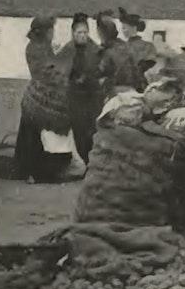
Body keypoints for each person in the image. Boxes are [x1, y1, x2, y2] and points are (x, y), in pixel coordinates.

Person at [15, 15, 79, 183]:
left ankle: (24, 170)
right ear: (46, 31)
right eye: (52, 30)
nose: (53, 33)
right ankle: (34, 172)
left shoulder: (38, 46)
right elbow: (48, 72)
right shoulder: (38, 49)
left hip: (35, 95)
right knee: (35, 138)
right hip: (40, 97)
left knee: (30, 136)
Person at [55, 12, 102, 165]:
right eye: (79, 33)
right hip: (74, 97)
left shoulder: (95, 50)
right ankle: (81, 160)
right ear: (73, 33)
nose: (82, 36)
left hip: (92, 97)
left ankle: (91, 161)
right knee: (77, 129)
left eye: (85, 32)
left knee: (91, 129)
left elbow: (100, 70)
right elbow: (59, 73)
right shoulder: (67, 50)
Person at [95, 12, 143, 97]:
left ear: (101, 32)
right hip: (134, 92)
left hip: (116, 94)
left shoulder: (106, 51)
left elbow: (97, 74)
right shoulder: (126, 46)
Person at [118, 7, 156, 85]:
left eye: (124, 28)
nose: (123, 31)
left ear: (134, 28)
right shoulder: (149, 46)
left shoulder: (147, 46)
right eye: (122, 28)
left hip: (136, 83)